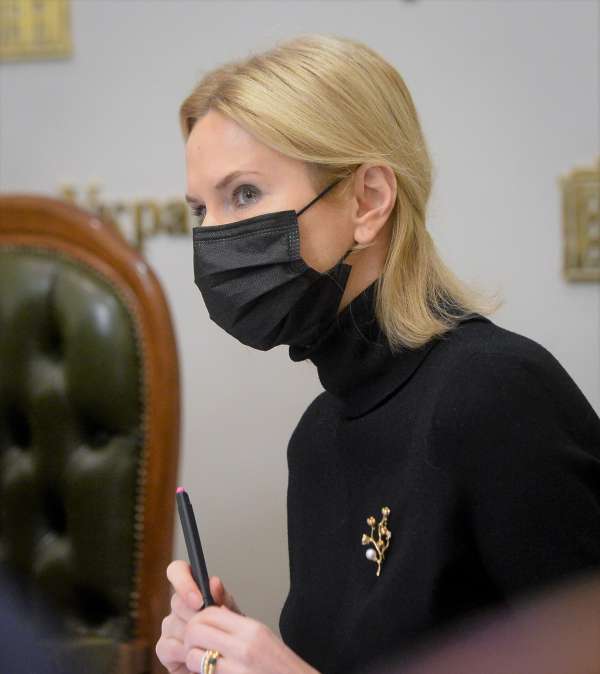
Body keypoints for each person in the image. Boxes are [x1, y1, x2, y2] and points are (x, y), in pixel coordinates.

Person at [155, 33, 600, 674]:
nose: (215, 235)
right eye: (201, 209)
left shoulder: (496, 393)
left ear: (368, 201)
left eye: (244, 194)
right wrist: (228, 653)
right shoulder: (315, 438)